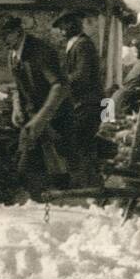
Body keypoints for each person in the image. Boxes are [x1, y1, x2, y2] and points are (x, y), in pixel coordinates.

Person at [0, 12, 71, 197]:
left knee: (44, 165)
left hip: (56, 115)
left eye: (6, 35)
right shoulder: (13, 55)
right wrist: (17, 107)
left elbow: (59, 87)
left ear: (18, 32)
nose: (4, 41)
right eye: (1, 37)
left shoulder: (40, 52)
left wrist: (40, 120)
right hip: (31, 116)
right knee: (28, 164)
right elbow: (16, 86)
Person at [52, 10, 104, 187]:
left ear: (73, 24)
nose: (61, 31)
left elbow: (82, 75)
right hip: (80, 102)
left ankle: (90, 186)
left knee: (83, 143)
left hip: (87, 103)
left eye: (63, 26)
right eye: (60, 28)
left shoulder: (82, 45)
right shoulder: (75, 45)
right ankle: (87, 183)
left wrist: (60, 85)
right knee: (81, 143)